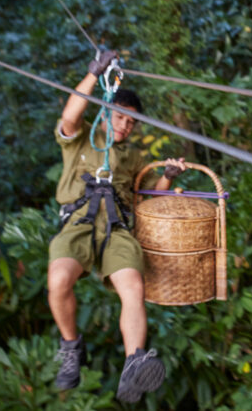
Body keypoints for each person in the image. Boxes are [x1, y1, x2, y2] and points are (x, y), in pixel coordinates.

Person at [47, 50, 186, 403]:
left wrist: (167, 176)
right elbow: (70, 114)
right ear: (105, 113)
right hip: (78, 224)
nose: (124, 126)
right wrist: (94, 74)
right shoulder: (81, 138)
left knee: (133, 285)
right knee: (59, 279)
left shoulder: (135, 157)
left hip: (117, 228)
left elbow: (151, 196)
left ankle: (133, 363)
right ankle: (70, 347)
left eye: (131, 123)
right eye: (120, 118)